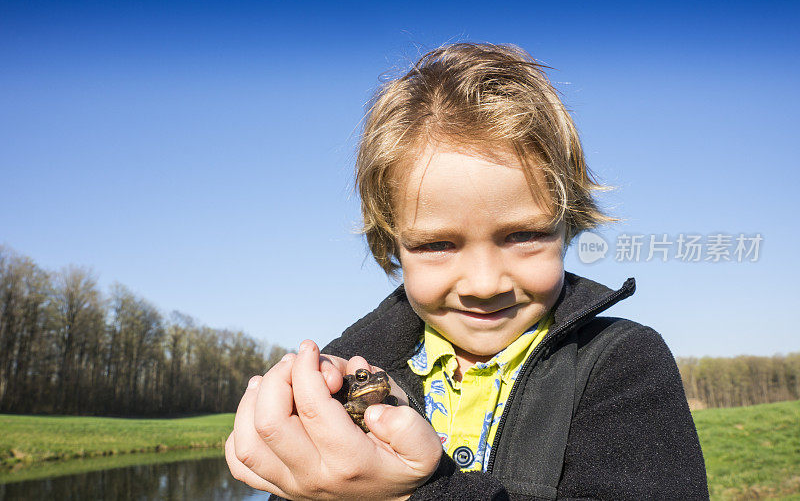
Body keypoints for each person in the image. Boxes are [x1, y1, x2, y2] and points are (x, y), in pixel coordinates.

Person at [225, 43, 709, 500]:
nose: (483, 284)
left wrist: (417, 491)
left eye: (523, 236)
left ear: (568, 223)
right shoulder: (346, 371)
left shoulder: (620, 362)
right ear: (392, 244)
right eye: (438, 244)